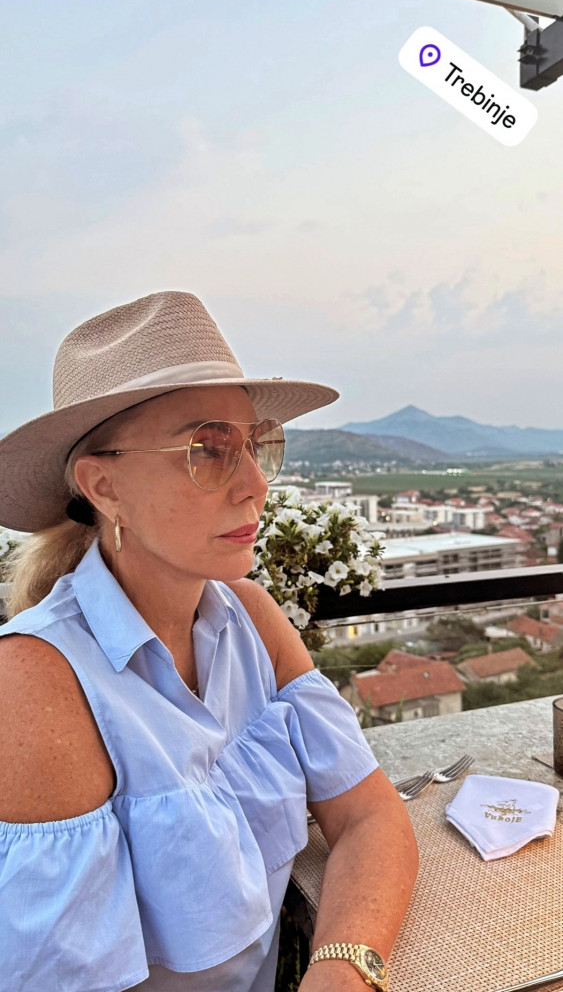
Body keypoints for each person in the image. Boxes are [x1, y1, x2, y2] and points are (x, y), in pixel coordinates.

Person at [0, 291, 418, 992]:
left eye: (256, 445)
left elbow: (369, 814)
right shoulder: (40, 683)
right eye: (208, 450)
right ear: (104, 486)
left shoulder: (249, 619)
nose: (255, 484)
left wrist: (342, 970)